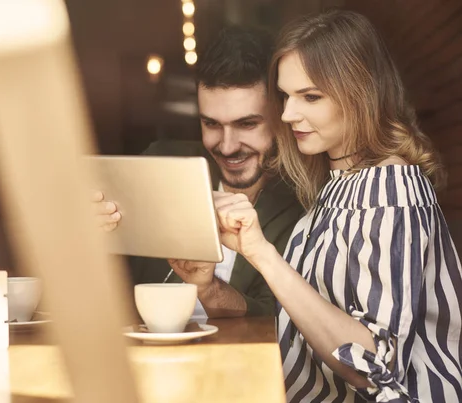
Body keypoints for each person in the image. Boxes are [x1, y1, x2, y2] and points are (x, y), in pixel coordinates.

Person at [214, 10, 462, 402]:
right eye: (286, 95)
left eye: (311, 96)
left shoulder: (390, 189)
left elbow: (373, 366)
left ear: (359, 92)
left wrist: (262, 253)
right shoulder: (339, 185)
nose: (287, 114)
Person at [94, 26, 304, 318]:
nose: (228, 147)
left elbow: (285, 323)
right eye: (212, 124)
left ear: (280, 117)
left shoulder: (302, 201)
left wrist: (209, 288)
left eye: (247, 124)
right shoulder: (161, 164)